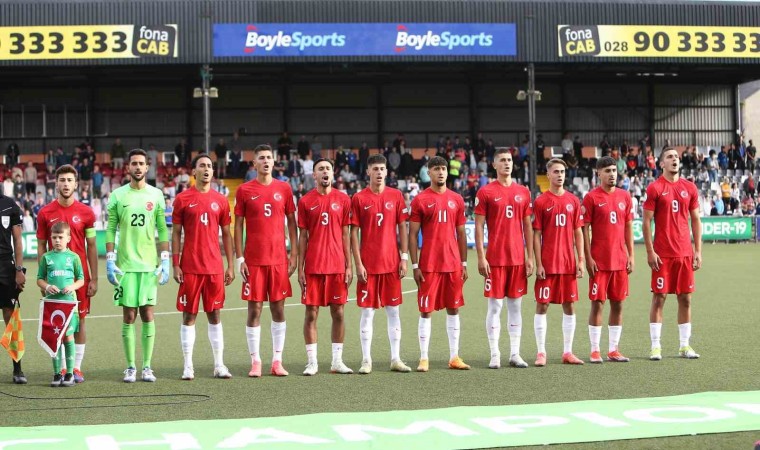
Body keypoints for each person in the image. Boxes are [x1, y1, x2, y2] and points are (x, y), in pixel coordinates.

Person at [106, 149, 170, 383]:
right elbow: (111, 228)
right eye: (134, 163)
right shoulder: (117, 195)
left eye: (142, 164)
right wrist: (110, 259)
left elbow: (162, 228)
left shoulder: (157, 194)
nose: (138, 167)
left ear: (147, 167)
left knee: (148, 314)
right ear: (128, 167)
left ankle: (147, 367)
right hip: (125, 266)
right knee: (129, 315)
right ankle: (131, 367)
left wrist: (165, 258)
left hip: (148, 265)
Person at [235, 145, 297, 377]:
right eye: (261, 158)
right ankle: (256, 362)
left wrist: (293, 254)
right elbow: (238, 226)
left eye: (269, 158)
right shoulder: (244, 190)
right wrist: (240, 258)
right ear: (255, 164)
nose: (266, 161)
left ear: (274, 161)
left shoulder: (284, 188)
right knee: (255, 309)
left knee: (278, 309)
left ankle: (277, 361)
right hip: (254, 261)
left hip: (279, 260)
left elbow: (292, 222)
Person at [173, 154, 235, 380]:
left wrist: (230, 265)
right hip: (190, 267)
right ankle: (188, 365)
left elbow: (227, 234)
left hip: (214, 268)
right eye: (202, 166)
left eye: (209, 166)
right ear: (194, 172)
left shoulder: (220, 200)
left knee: (215, 314)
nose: (207, 169)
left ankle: (219, 364)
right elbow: (176, 233)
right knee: (189, 316)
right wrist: (175, 264)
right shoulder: (182, 199)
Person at [350, 154, 412, 374]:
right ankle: (366, 360)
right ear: (368, 171)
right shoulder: (358, 198)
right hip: (368, 266)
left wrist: (404, 257)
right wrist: (358, 263)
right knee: (367, 313)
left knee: (393, 311)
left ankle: (395, 358)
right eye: (374, 169)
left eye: (381, 169)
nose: (378, 173)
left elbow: (403, 227)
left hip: (391, 265)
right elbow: (353, 233)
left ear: (387, 172)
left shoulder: (396, 196)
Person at [36, 165, 98, 383]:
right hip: (54, 281)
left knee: (79, 321)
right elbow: (41, 247)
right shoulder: (45, 213)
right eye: (61, 180)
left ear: (76, 184)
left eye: (69, 180)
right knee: (56, 322)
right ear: (56, 183)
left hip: (77, 281)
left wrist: (93, 278)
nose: (65, 184)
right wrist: (43, 281)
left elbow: (91, 246)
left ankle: (76, 368)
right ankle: (62, 369)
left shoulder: (87, 213)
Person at [408, 156, 470, 372]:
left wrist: (463, 263)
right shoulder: (420, 200)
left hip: (452, 264)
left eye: (443, 168)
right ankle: (424, 358)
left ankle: (454, 356)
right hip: (429, 265)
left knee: (454, 309)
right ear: (429, 173)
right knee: (426, 311)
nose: (441, 172)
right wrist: (415, 266)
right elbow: (413, 234)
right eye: (436, 169)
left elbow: (461, 233)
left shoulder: (457, 199)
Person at [474, 148, 534, 369]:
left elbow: (527, 226)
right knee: (495, 306)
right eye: (502, 160)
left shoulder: (523, 192)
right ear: (494, 165)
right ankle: (495, 353)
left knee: (516, 307)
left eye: (509, 160)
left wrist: (530, 257)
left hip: (517, 259)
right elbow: (478, 227)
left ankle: (515, 353)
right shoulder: (486, 192)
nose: (507, 163)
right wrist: (481, 256)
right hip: (496, 259)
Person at [643, 147, 702, 361]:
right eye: (669, 157)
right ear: (662, 164)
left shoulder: (690, 187)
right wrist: (650, 251)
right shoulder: (655, 188)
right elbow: (647, 222)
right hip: (663, 254)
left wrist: (698, 250)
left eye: (676, 157)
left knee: (685, 299)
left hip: (685, 253)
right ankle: (655, 346)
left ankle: (684, 346)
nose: (674, 159)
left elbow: (695, 219)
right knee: (659, 298)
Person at [297, 158, 353, 376]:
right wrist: (300, 268)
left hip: (337, 265)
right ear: (314, 175)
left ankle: (337, 361)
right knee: (311, 313)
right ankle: (312, 362)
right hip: (313, 266)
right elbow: (302, 236)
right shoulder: (305, 201)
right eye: (320, 169)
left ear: (333, 173)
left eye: (328, 168)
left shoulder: (343, 199)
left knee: (338, 312)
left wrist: (349, 266)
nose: (325, 172)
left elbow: (346, 234)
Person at [581, 156, 634, 364]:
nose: (612, 174)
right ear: (598, 173)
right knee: (598, 304)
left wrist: (631, 255)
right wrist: (588, 257)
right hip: (600, 261)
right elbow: (584, 229)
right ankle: (595, 350)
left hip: (620, 260)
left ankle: (613, 349)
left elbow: (628, 227)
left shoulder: (624, 196)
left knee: (618, 304)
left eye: (614, 170)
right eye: (607, 171)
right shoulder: (591, 198)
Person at [532, 158, 585, 367]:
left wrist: (580, 260)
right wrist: (539, 263)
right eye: (556, 171)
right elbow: (536, 235)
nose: (560, 175)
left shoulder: (573, 201)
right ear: (548, 175)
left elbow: (578, 232)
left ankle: (568, 352)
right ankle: (541, 352)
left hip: (568, 263)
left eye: (562, 171)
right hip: (548, 263)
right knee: (542, 305)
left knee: (569, 305)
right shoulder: (541, 201)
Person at [37, 222, 85, 387]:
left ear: (68, 238)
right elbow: (39, 279)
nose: (57, 240)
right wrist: (48, 287)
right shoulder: (46, 258)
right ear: (51, 238)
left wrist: (71, 287)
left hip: (69, 305)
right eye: (54, 237)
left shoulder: (74, 258)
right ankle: (57, 373)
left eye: (60, 237)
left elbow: (81, 279)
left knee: (68, 336)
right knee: (54, 338)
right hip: (53, 305)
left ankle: (70, 373)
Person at [0, 186, 26, 384]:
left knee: (11, 318)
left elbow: (18, 240)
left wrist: (19, 269)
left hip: (5, 268)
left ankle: (17, 368)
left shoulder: (10, 205)